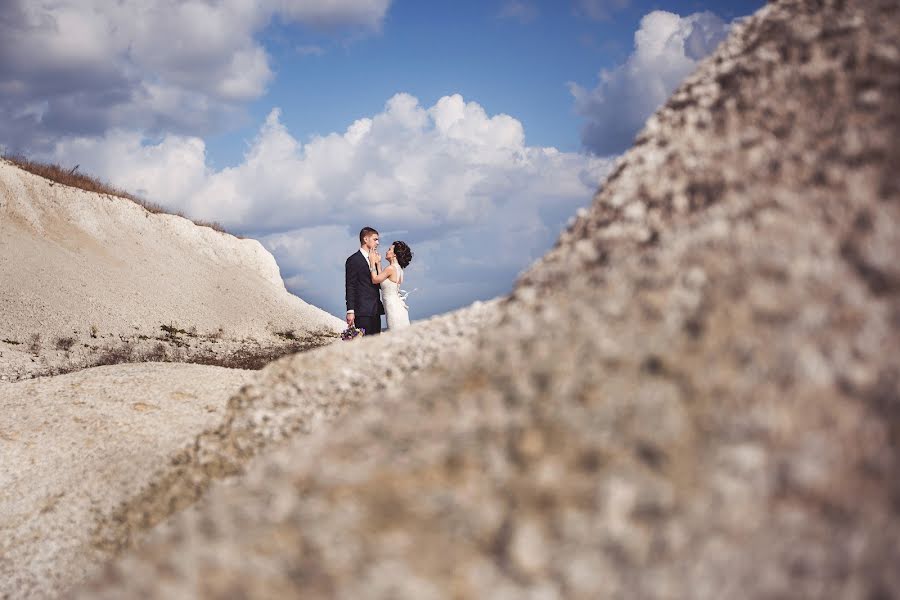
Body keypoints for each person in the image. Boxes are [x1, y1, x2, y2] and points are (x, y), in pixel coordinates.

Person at [345, 227, 384, 335]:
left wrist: (378, 263)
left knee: (376, 344)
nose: (378, 242)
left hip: (376, 310)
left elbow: (379, 283)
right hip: (362, 311)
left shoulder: (375, 259)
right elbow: (350, 286)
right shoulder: (353, 260)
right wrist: (350, 311)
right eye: (375, 239)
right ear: (366, 239)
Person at [368, 240, 413, 330]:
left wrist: (372, 262)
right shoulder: (398, 269)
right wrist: (379, 263)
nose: (386, 251)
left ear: (395, 254)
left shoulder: (391, 268)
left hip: (393, 308)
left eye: (389, 250)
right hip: (397, 306)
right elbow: (382, 280)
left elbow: (375, 280)